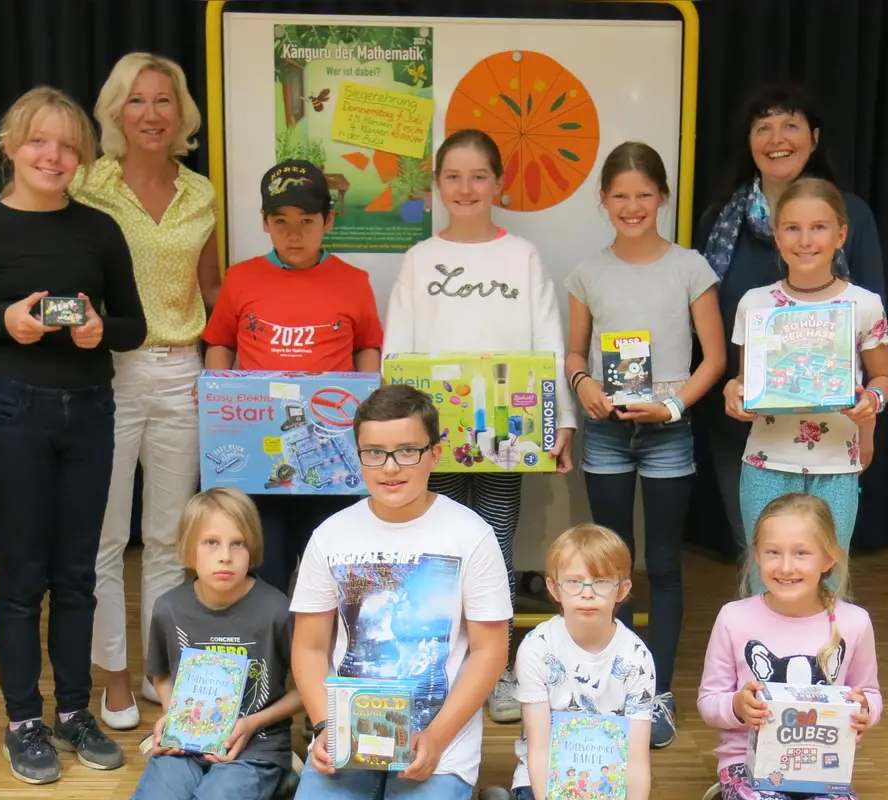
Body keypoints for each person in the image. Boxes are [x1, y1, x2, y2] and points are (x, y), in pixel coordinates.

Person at [0, 86, 147, 784]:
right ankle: (23, 720)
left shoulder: (99, 229)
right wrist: (7, 323)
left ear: (84, 157)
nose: (52, 156)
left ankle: (72, 711)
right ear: (11, 147)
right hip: (10, 412)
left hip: (89, 409)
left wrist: (97, 330)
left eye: (67, 146)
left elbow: (134, 326)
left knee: (79, 575)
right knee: (24, 574)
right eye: (38, 142)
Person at [281, 385, 512, 800]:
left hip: (435, 733)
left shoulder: (471, 534)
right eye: (374, 453)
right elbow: (310, 646)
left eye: (407, 451)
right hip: (350, 733)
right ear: (358, 455)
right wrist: (324, 728)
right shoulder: (331, 535)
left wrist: (436, 738)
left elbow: (491, 651)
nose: (391, 467)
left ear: (433, 453)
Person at [382, 128, 577, 725]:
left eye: (478, 176)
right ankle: (438, 668)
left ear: (499, 183)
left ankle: (497, 670)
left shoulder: (521, 256)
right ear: (437, 185)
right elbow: (397, 353)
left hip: (506, 438)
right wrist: (394, 432)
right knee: (434, 549)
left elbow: (548, 342)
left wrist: (557, 422)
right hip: (432, 441)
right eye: (452, 177)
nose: (465, 188)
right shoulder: (420, 259)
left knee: (492, 544)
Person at [564, 141, 726, 748]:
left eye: (644, 194)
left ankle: (655, 692)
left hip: (668, 431)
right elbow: (575, 351)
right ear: (603, 201)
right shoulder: (586, 272)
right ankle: (618, 685)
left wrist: (675, 404)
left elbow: (715, 358)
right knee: (611, 566)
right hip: (606, 430)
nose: (632, 206)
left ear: (662, 197)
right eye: (620, 195)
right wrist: (583, 385)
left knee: (662, 565)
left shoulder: (690, 267)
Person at [77, 52, 221, 730]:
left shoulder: (201, 194)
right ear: (114, 113)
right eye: (137, 101)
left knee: (168, 539)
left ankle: (160, 672)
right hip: (109, 371)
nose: (152, 114)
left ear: (182, 113)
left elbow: (212, 288)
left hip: (184, 367)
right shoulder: (86, 187)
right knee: (106, 537)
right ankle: (111, 677)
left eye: (164, 101)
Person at [695, 83, 887, 555]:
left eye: (790, 124)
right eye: (764, 127)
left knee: (820, 560)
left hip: (833, 433)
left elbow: (872, 341)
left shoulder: (853, 215)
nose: (777, 137)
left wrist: (868, 425)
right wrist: (731, 389)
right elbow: (706, 320)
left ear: (814, 138)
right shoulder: (720, 220)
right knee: (762, 555)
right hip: (746, 425)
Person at [201, 159, 383, 594]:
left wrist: (367, 407)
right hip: (259, 461)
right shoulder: (241, 278)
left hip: (334, 454)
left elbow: (367, 348)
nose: (294, 233)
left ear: (329, 221)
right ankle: (271, 658)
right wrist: (216, 395)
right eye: (280, 221)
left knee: (335, 570)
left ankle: (326, 659)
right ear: (265, 223)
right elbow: (220, 343)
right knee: (265, 567)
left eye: (306, 221)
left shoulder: (354, 281)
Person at [696, 493, 881, 800]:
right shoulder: (734, 618)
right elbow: (709, 702)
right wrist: (737, 706)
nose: (785, 566)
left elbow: (871, 694)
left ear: (828, 559)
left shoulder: (854, 623)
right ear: (757, 556)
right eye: (773, 552)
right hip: (749, 770)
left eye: (801, 553)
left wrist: (866, 710)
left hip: (824, 772)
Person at [477, 524, 659, 800]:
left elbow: (638, 758)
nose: (587, 594)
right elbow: (540, 749)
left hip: (612, 784)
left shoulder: (637, 657)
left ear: (622, 589)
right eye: (574, 582)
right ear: (553, 588)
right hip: (546, 780)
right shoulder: (537, 648)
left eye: (602, 582)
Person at [122, 488, 301, 800]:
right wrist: (173, 715)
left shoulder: (277, 611)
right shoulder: (169, 608)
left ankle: (271, 784)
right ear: (188, 548)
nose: (225, 556)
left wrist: (253, 723)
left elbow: (307, 689)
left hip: (256, 743)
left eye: (238, 544)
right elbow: (161, 674)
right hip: (187, 742)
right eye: (211, 542)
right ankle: (213, 793)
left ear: (253, 548)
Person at [723, 178, 888, 567]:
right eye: (792, 228)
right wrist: (733, 392)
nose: (805, 240)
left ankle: (829, 633)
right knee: (765, 573)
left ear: (841, 235)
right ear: (777, 236)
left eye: (818, 227)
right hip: (767, 461)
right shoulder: (756, 304)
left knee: (827, 574)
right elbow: (746, 381)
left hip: (836, 463)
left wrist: (873, 401)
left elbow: (883, 378)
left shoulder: (864, 304)